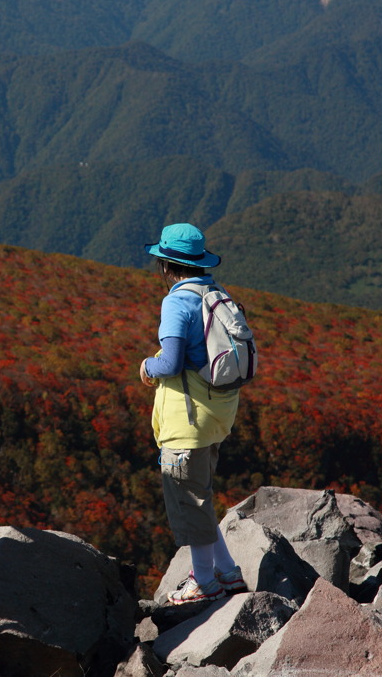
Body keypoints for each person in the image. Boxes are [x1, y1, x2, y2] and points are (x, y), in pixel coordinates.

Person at [138, 223, 248, 605]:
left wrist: (146, 367)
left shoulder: (177, 302)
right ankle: (228, 572)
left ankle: (203, 581)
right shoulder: (216, 292)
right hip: (218, 413)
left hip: (187, 420)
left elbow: (168, 363)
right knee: (201, 493)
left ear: (167, 265)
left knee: (188, 500)